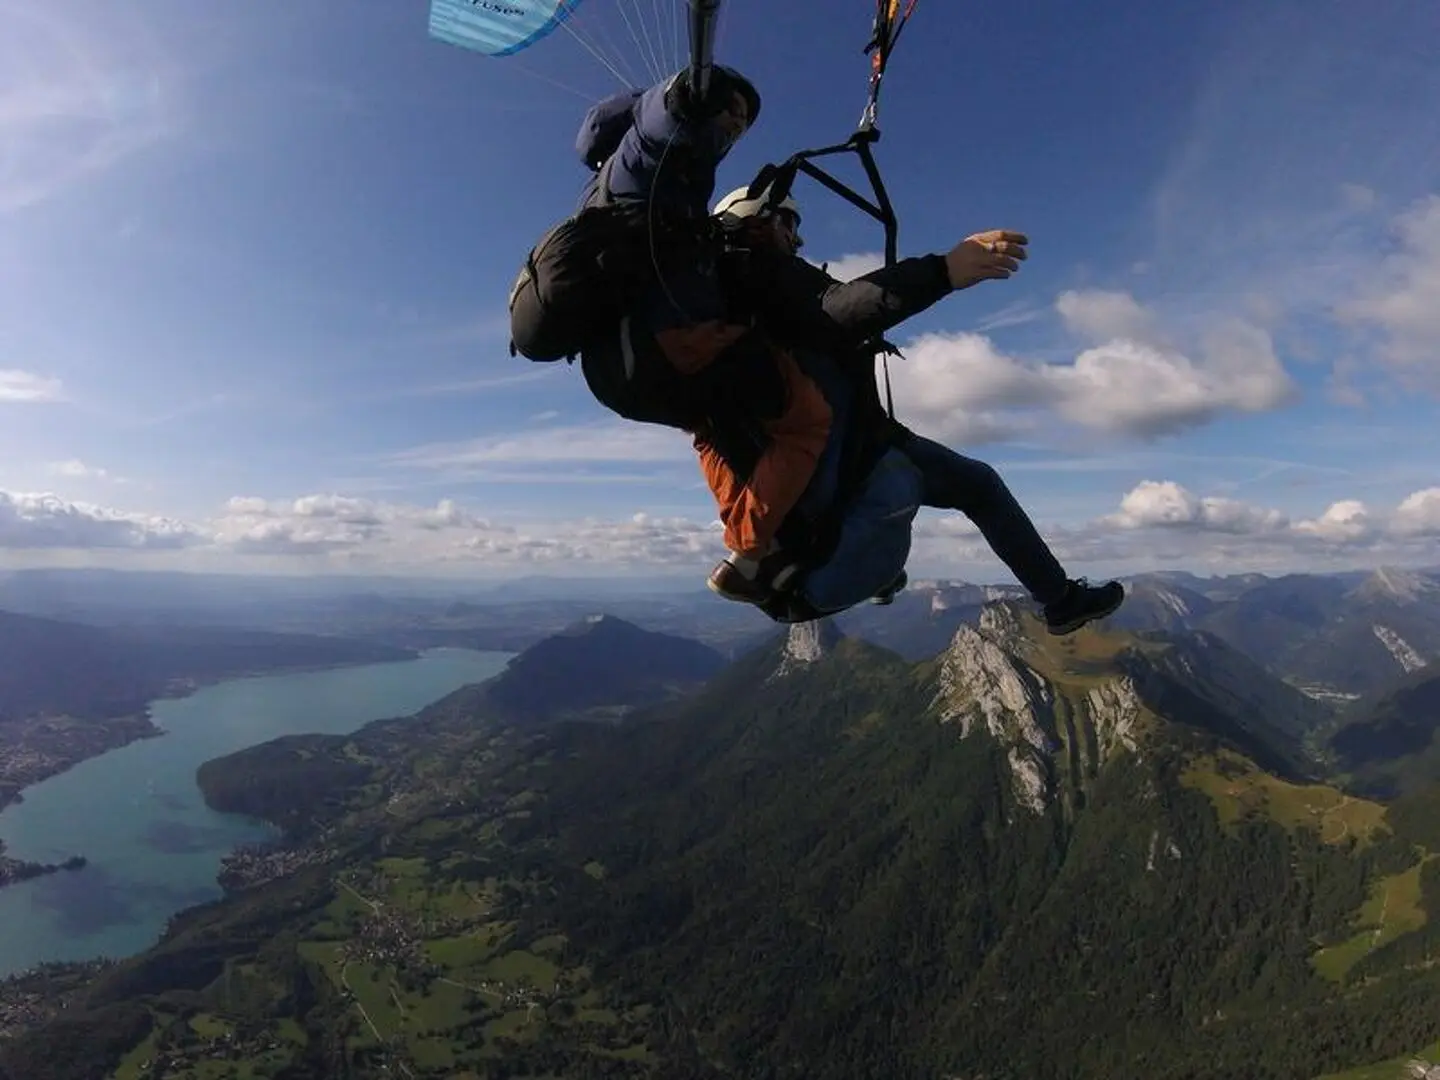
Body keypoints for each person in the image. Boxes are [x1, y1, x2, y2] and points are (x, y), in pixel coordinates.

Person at [699, 183, 1126, 636]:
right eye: (789, 223)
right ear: (757, 217)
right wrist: (942, 271)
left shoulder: (737, 291)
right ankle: (1055, 599)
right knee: (965, 486)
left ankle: (1058, 599)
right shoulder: (759, 273)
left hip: (861, 441)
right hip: (850, 455)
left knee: (978, 483)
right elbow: (835, 312)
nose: (796, 238)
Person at [562, 67, 839, 586]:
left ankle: (753, 546)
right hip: (665, 347)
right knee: (807, 418)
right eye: (731, 108)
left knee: (710, 429)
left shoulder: (613, 191)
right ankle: (752, 548)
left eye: (744, 119)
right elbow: (653, 128)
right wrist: (675, 96)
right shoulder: (646, 163)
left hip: (617, 371)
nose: (737, 124)